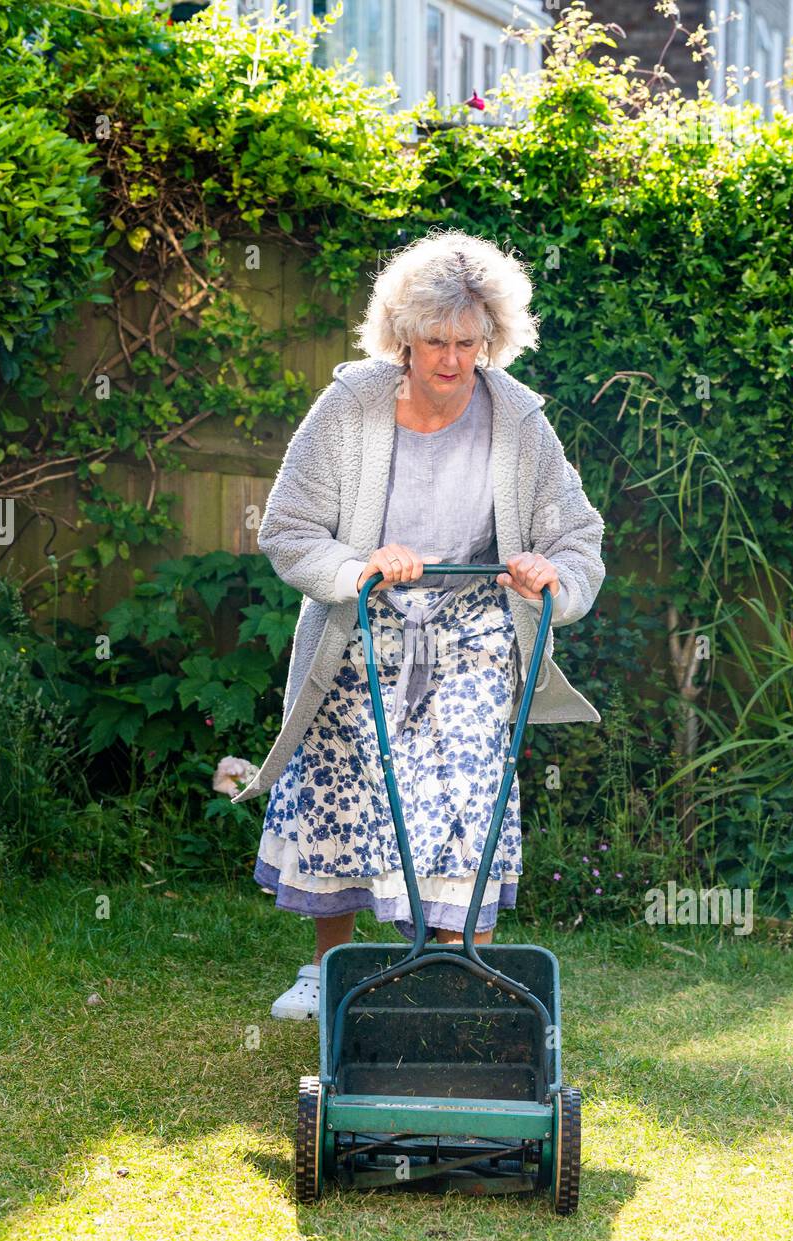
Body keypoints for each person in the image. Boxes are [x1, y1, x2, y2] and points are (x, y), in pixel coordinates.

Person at [229, 229, 606, 1019]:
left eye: (469, 343)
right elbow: (289, 530)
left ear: (492, 338)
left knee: (467, 799)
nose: (450, 360)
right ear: (401, 335)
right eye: (433, 340)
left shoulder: (519, 421)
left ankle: (451, 972)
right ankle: (331, 975)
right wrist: (359, 568)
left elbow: (576, 536)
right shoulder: (349, 408)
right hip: (361, 634)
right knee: (345, 784)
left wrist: (551, 577)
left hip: (470, 639)